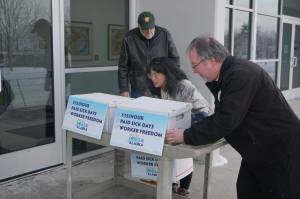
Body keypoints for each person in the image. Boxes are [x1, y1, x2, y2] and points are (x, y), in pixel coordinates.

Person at [165, 36, 300, 199]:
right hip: (256, 152)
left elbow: (225, 121)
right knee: (246, 190)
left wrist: (185, 135)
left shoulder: (240, 75)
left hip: (279, 153)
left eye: (195, 65)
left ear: (212, 60)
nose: (194, 71)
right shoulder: (227, 76)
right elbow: (222, 116)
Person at [148, 57, 212, 197]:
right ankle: (173, 184)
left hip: (199, 121)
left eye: (156, 74)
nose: (153, 78)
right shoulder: (164, 87)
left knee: (183, 155)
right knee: (172, 152)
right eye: (151, 74)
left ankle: (183, 189)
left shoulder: (182, 85)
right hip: (183, 122)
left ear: (167, 73)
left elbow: (201, 113)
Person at [118, 11, 179, 98]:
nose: (149, 31)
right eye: (145, 29)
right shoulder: (129, 38)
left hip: (162, 86)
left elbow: (175, 59)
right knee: (139, 111)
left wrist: (172, 80)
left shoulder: (164, 34)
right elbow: (123, 66)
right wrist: (123, 89)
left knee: (161, 110)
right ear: (139, 27)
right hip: (139, 87)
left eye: (151, 28)